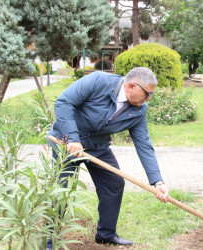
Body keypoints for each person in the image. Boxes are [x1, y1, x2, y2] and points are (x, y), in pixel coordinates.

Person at [46, 67, 168, 248]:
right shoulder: (98, 81)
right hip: (66, 143)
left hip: (97, 147)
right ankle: (51, 241)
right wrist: (72, 138)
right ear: (131, 86)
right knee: (62, 189)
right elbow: (64, 102)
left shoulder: (139, 110)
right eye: (147, 94)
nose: (149, 98)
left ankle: (106, 235)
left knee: (114, 183)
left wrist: (157, 182)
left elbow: (144, 145)